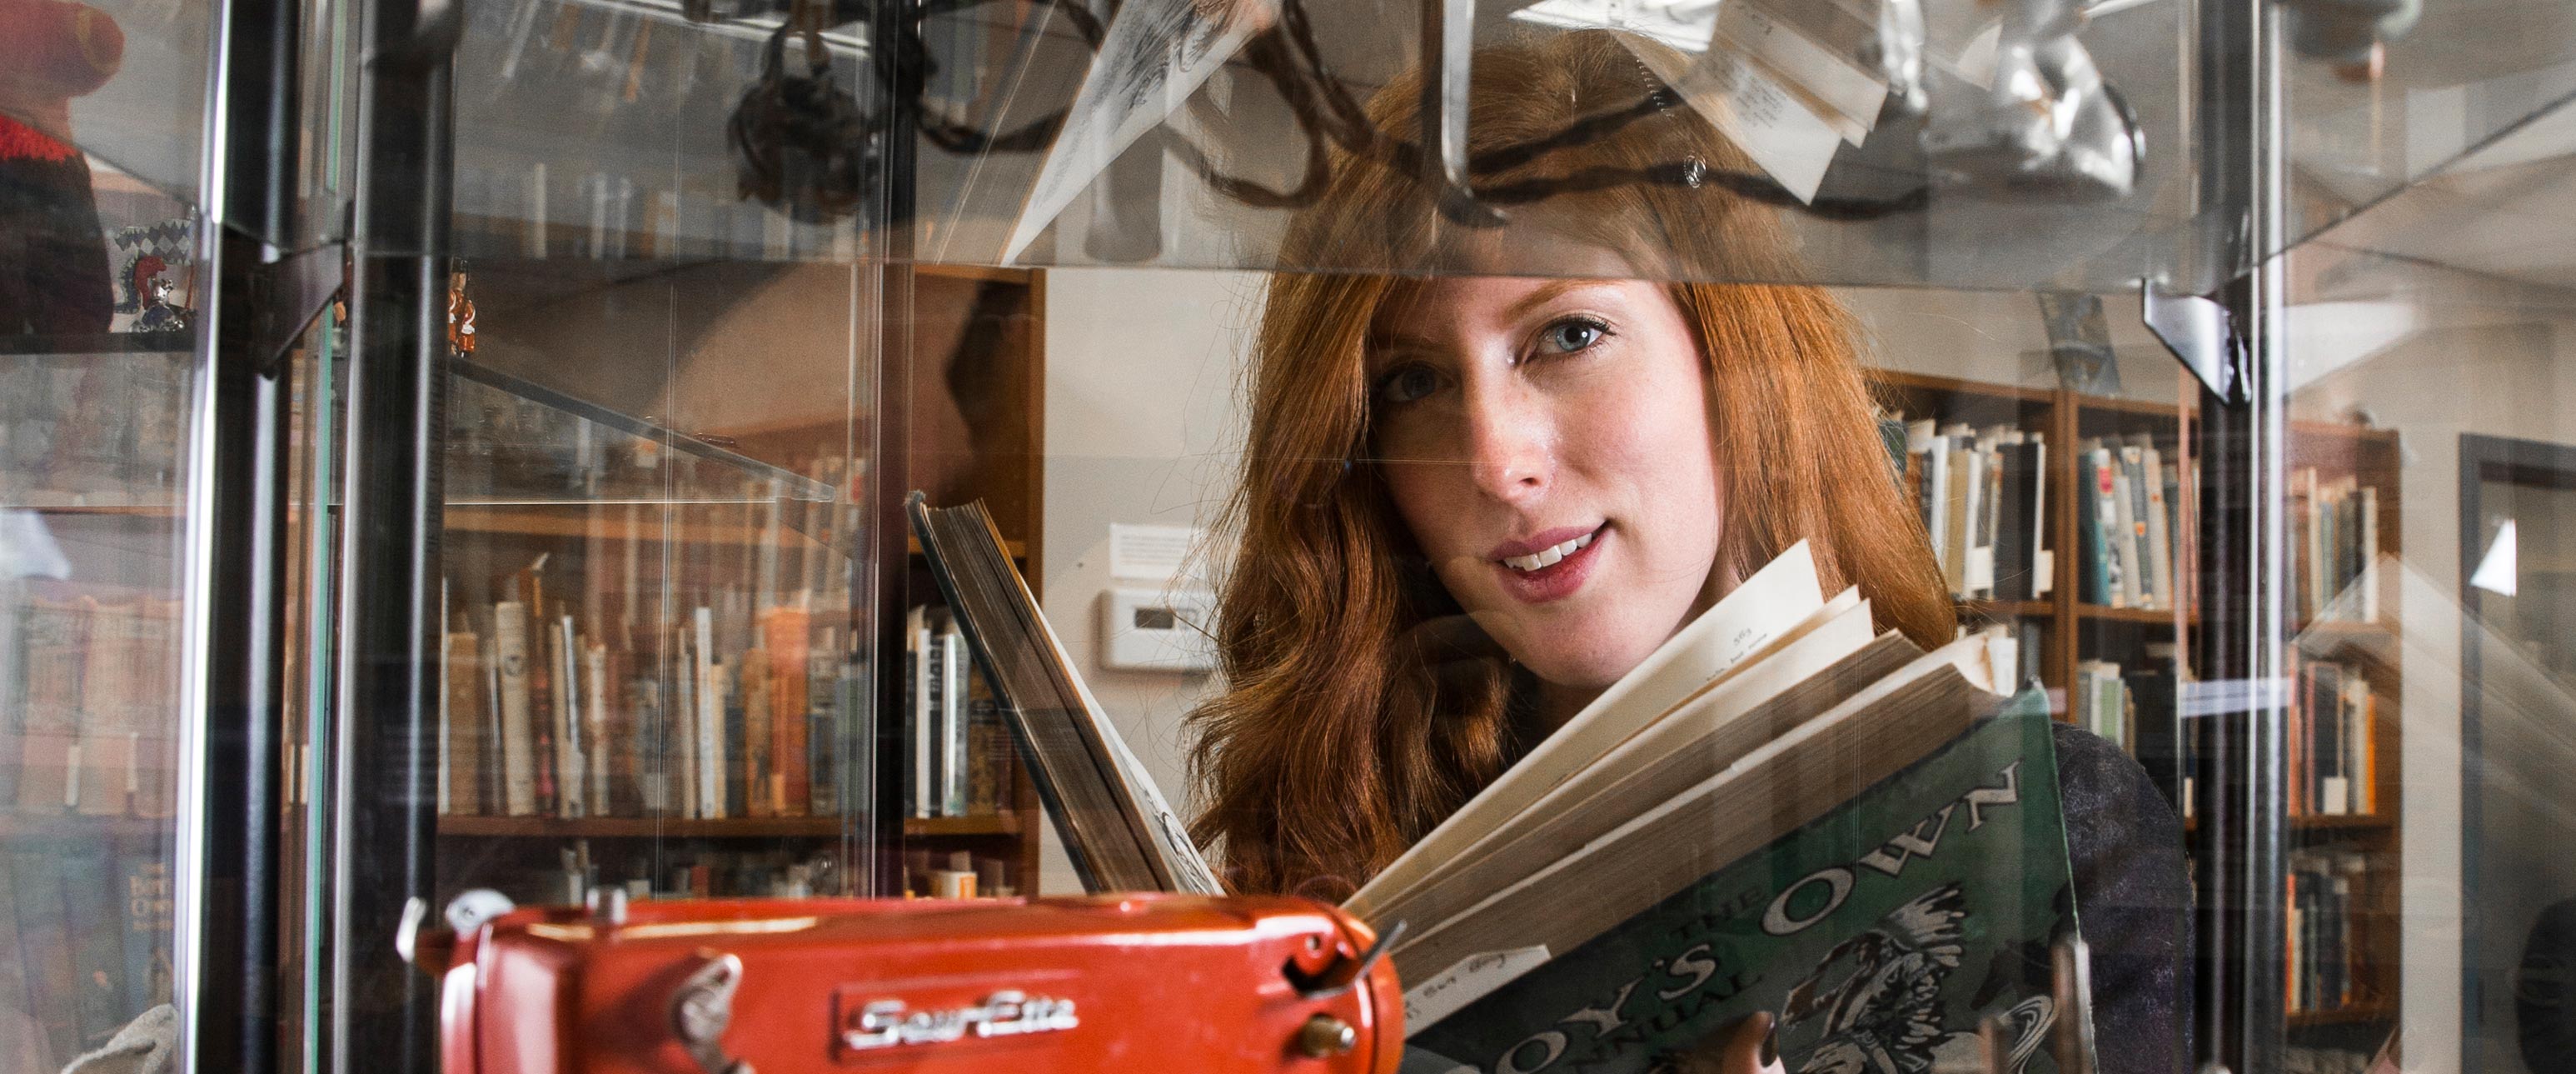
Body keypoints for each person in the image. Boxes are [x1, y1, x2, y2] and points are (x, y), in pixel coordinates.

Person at [1183, 27, 2188, 1074]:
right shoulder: (1335, 823)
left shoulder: (2075, 823)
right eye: (1412, 383)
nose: (1494, 460)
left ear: (1729, 360)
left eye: (1567, 335)